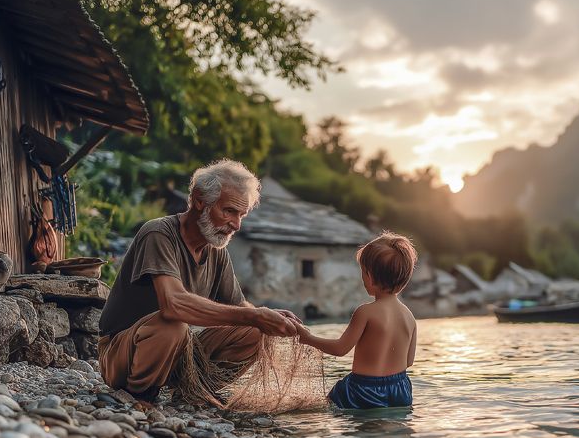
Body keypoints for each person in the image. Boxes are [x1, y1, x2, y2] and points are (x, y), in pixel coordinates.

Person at [97, 159, 300, 404]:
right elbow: (173, 305)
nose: (235, 225)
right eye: (228, 211)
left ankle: (192, 391)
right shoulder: (158, 234)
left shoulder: (216, 250)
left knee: (255, 332)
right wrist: (254, 316)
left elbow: (239, 307)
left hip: (179, 351)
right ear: (199, 200)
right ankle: (138, 395)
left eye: (241, 215)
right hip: (122, 354)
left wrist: (268, 318)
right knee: (173, 325)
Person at [295, 232, 418, 409]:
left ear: (370, 276)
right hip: (400, 390)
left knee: (336, 412)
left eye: (363, 272)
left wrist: (307, 338)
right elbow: (408, 362)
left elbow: (340, 348)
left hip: (363, 390)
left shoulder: (365, 312)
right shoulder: (409, 317)